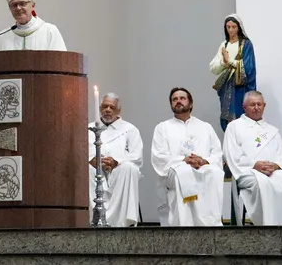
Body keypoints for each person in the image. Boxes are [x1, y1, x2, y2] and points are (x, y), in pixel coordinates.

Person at [223, 91, 282, 225]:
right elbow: (231, 155)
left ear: (264, 106)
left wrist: (275, 166)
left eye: (259, 104)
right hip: (247, 172)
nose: (256, 107)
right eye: (252, 104)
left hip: (273, 171)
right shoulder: (234, 127)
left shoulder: (272, 130)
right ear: (244, 107)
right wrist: (255, 164)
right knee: (263, 185)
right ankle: (266, 225)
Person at [150, 87, 223, 226]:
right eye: (174, 99)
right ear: (171, 104)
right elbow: (158, 156)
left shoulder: (205, 127)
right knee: (185, 172)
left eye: (182, 98)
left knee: (214, 172)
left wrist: (203, 161)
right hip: (174, 170)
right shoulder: (162, 128)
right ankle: (186, 224)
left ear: (191, 103)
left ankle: (210, 223)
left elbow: (217, 153)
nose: (178, 101)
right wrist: (183, 160)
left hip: (203, 167)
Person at [87, 93, 142, 227]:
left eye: (112, 107)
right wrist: (91, 160)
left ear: (118, 110)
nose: (108, 110)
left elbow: (137, 156)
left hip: (119, 172)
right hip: (95, 171)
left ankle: (122, 221)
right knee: (85, 169)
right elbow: (80, 152)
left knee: (128, 168)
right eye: (105, 106)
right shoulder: (89, 128)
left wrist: (116, 161)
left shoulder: (130, 129)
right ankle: (94, 219)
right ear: (100, 108)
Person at [209, 14, 256, 130]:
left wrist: (229, 61)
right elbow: (213, 67)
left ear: (239, 27)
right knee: (227, 118)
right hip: (226, 87)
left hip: (241, 87)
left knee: (241, 116)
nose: (230, 30)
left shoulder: (246, 45)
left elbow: (248, 68)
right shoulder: (224, 45)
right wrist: (224, 63)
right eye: (228, 27)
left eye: (233, 27)